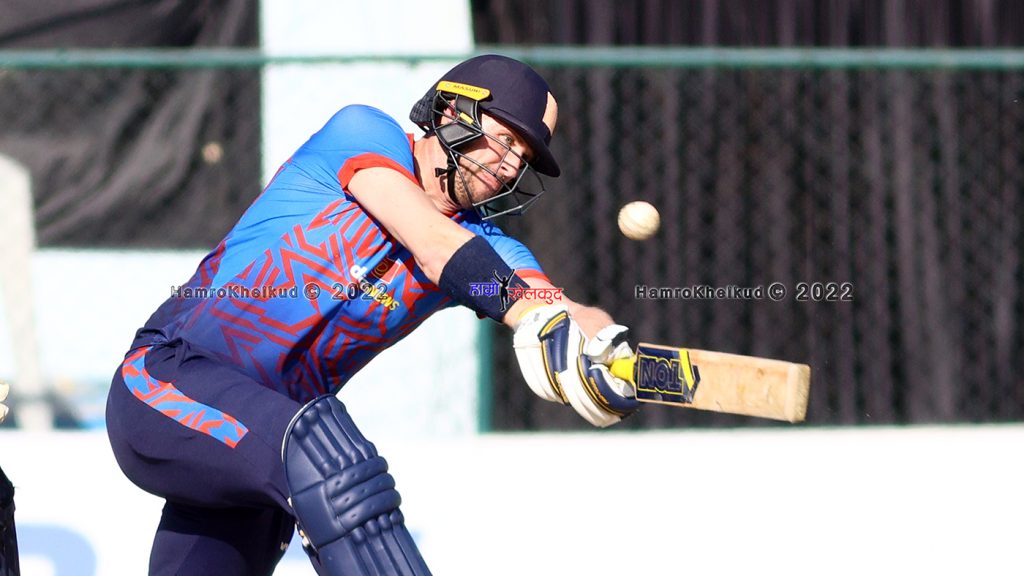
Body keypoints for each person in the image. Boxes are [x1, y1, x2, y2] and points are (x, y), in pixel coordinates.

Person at [105, 54, 641, 576]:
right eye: (506, 140)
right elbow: (433, 244)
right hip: (168, 384)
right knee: (330, 456)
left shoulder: (486, 250)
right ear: (454, 112)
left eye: (523, 157)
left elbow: (553, 304)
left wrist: (596, 342)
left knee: (316, 458)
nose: (510, 167)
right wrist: (527, 312)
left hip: (267, 453)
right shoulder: (364, 134)